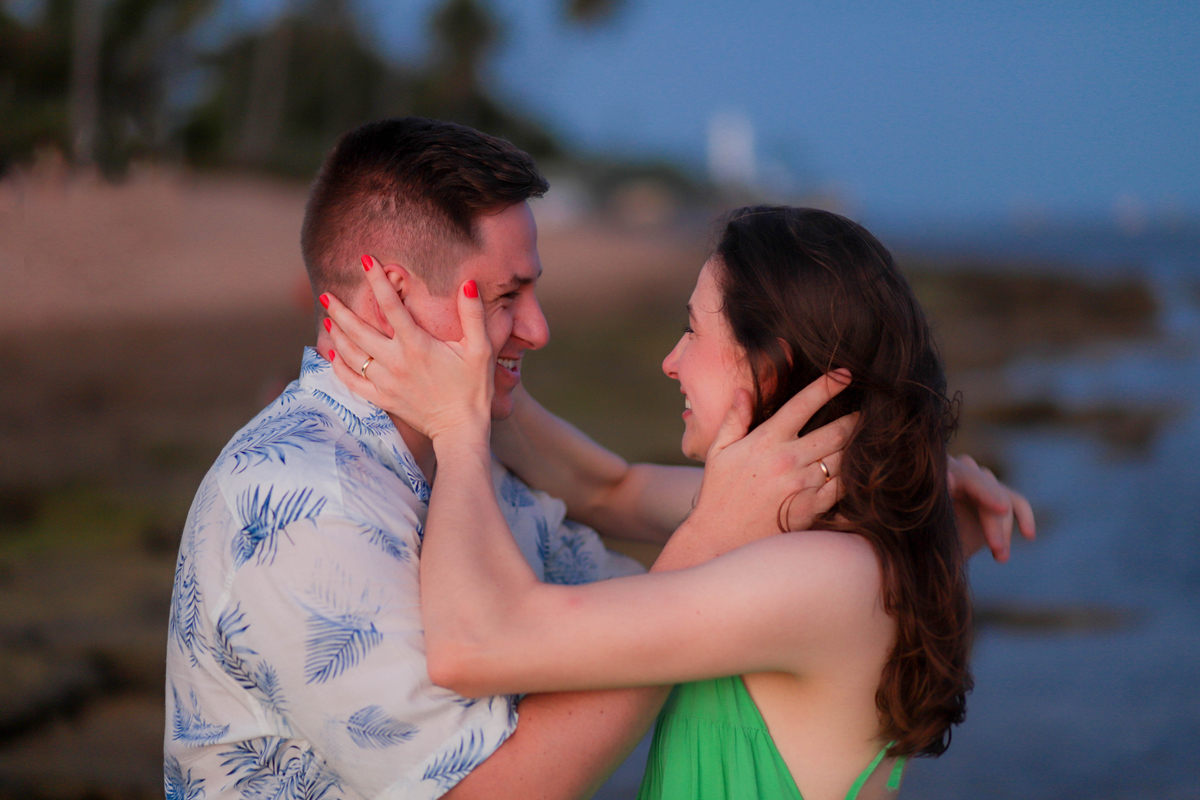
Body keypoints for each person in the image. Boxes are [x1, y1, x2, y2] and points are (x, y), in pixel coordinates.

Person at [166, 116, 1031, 799]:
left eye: (692, 329)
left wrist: (465, 423)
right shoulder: (307, 501)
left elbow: (513, 617)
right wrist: (904, 482)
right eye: (509, 295)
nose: (541, 329)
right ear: (392, 294)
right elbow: (610, 490)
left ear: (770, 366)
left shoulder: (806, 568)